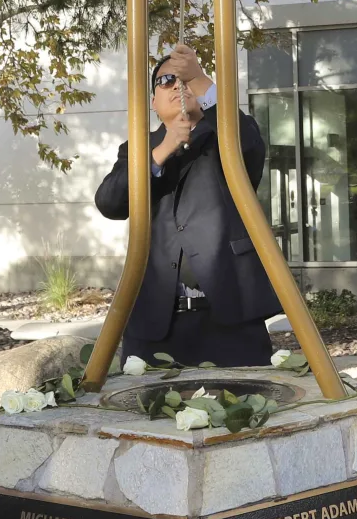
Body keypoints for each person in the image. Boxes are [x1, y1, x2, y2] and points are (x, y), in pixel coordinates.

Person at [94, 45, 280, 368]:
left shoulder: (227, 137)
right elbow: (109, 201)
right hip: (155, 323)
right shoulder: (138, 150)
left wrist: (200, 78)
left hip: (230, 317)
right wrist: (162, 151)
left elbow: (250, 146)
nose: (177, 84)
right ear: (153, 102)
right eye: (166, 80)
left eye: (183, 79)